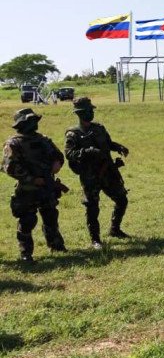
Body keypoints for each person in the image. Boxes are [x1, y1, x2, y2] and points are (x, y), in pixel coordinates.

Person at [2, 108, 68, 262]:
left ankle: (56, 245)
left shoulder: (44, 140)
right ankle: (26, 253)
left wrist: (57, 163)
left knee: (51, 216)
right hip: (28, 189)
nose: (34, 124)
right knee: (27, 221)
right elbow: (9, 168)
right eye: (30, 121)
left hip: (47, 186)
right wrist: (31, 179)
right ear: (22, 124)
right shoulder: (13, 143)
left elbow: (58, 155)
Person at [65, 97, 129, 248]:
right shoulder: (73, 134)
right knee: (92, 207)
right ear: (80, 113)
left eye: (92, 110)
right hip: (90, 175)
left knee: (122, 200)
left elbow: (108, 144)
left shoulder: (99, 128)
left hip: (108, 171)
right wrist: (87, 151)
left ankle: (115, 229)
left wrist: (119, 147)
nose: (91, 113)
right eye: (88, 111)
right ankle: (95, 239)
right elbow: (69, 154)